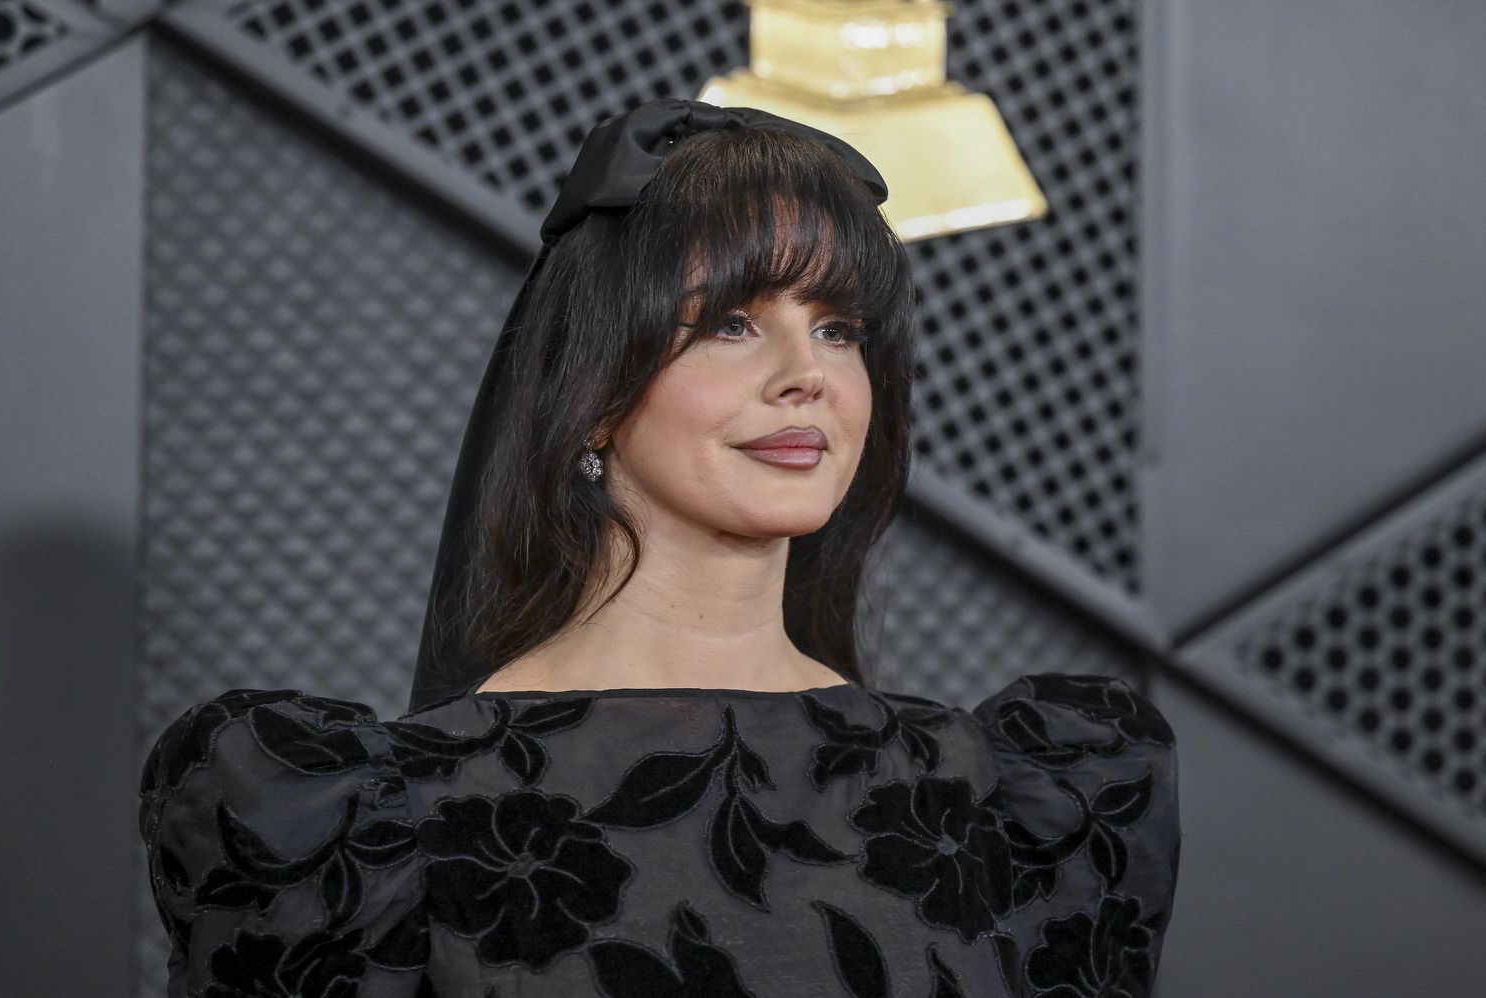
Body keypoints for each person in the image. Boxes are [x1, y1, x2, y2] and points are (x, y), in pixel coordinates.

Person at [138, 98, 1180, 997]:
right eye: (731, 321)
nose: (805, 373)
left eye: (838, 327)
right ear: (590, 394)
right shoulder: (368, 819)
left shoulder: (1000, 804)